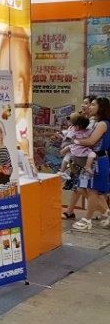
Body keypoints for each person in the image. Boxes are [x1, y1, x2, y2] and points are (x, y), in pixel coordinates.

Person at [72, 97, 110, 232]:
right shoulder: (97, 122)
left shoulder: (102, 124)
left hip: (98, 160)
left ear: (101, 107)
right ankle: (106, 213)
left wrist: (75, 141)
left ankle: (87, 220)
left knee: (93, 191)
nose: (90, 107)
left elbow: (91, 141)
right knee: (86, 189)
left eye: (93, 105)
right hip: (95, 159)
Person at [59, 112, 96, 179]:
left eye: (72, 121)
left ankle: (62, 171)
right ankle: (87, 167)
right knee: (92, 154)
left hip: (76, 149)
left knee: (68, 155)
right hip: (80, 150)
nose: (70, 122)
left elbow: (68, 138)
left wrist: (67, 141)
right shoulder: (88, 130)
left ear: (78, 125)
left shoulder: (73, 130)